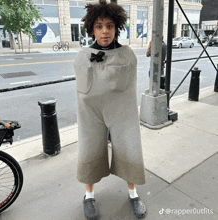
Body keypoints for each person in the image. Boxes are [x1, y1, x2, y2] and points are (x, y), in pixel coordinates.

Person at [73, 0, 146, 219]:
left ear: (117, 28)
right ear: (91, 28)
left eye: (110, 26)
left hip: (122, 111)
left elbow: (128, 88)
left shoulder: (127, 55)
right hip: (91, 113)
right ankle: (89, 195)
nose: (105, 31)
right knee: (89, 149)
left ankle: (133, 193)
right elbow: (82, 93)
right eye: (99, 26)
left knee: (129, 146)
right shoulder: (82, 56)